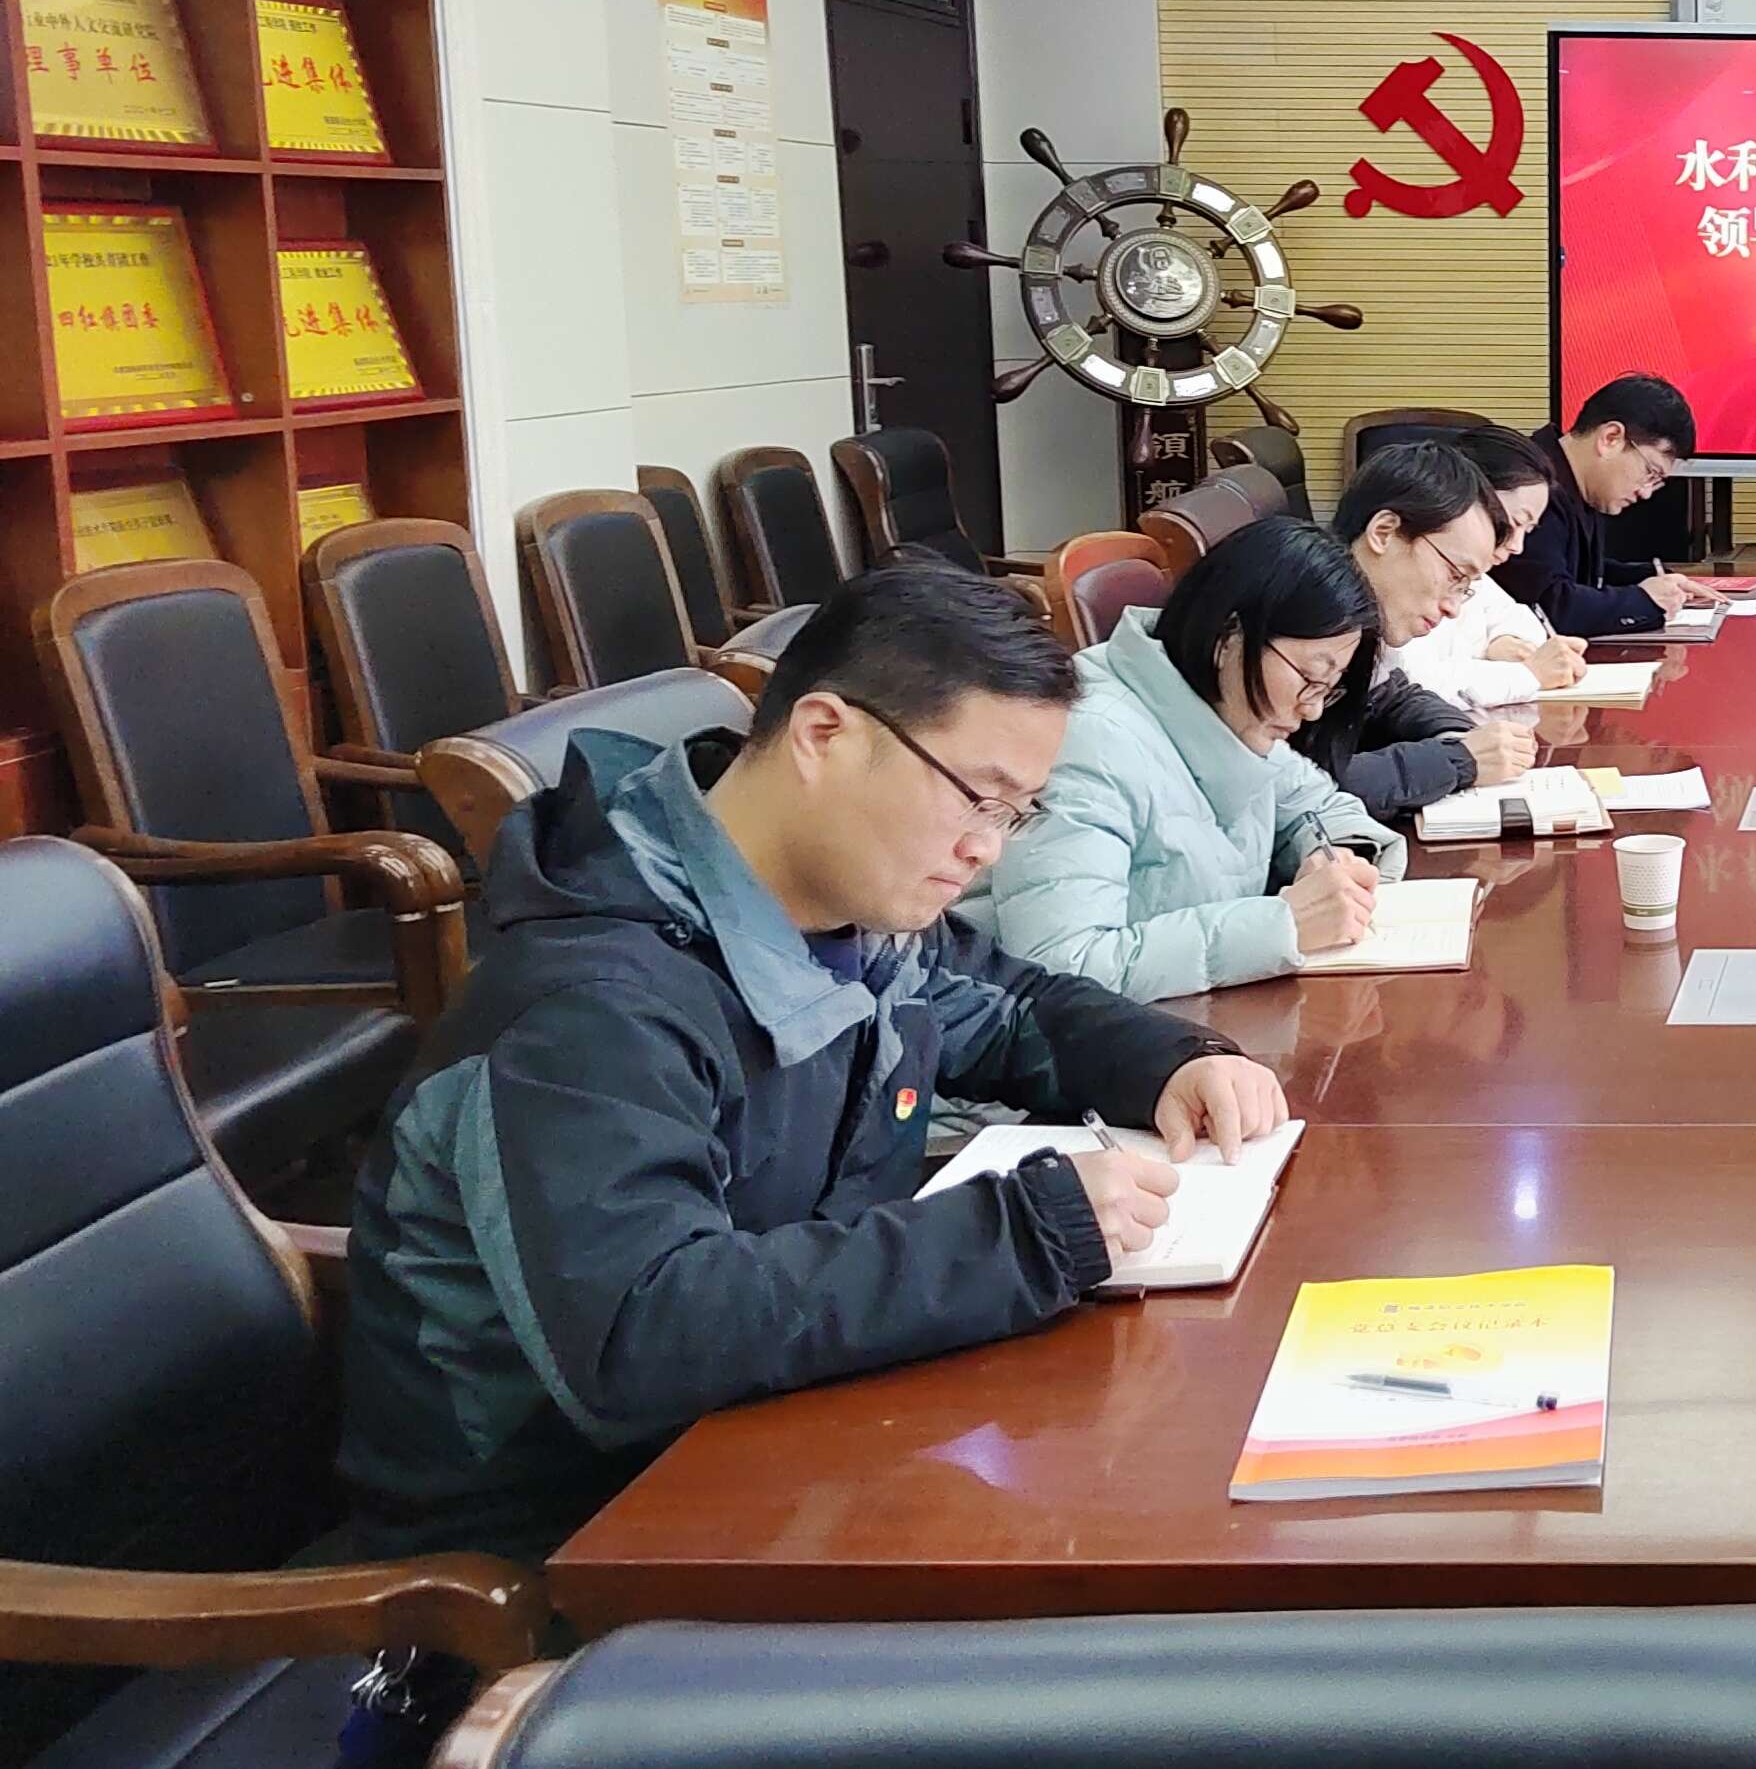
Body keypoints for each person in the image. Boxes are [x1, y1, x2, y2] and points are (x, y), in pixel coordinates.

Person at [342, 564, 1287, 1565]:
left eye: (1017, 815)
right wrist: (1020, 1236)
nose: (988, 851)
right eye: (978, 799)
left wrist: (1171, 1060)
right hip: (568, 1546)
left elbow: (1008, 1008)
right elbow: (643, 1331)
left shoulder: (846, 913)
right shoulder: (589, 1006)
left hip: (787, 1440)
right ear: (824, 734)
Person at [966, 516, 1405, 999]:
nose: (1313, 708)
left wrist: (1337, 860)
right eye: (1309, 677)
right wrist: (1281, 926)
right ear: (1229, 637)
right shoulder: (1092, 743)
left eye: (1328, 687)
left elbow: (1317, 806)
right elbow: (1060, 965)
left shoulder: (1229, 710)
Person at [1323, 439, 1538, 823]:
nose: (1453, 608)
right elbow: (1295, 791)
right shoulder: (1302, 620)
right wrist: (1457, 760)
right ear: (1384, 532)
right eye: (1454, 576)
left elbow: (1391, 695)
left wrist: (1462, 737)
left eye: (1465, 588)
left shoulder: (1358, 624)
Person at [1505, 372, 1728, 639]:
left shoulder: (1579, 484)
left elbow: (1584, 574)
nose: (1646, 492)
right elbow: (1552, 607)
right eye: (1650, 472)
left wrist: (1657, 579)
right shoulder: (1531, 486)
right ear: (1611, 438)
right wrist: (1644, 601)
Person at [1384, 423, 1586, 709]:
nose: (1517, 546)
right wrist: (1526, 674)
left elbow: (1516, 616)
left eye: (1528, 530)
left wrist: (1505, 641)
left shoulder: (1476, 576)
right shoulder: (1408, 572)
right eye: (1512, 523)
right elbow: (1414, 683)